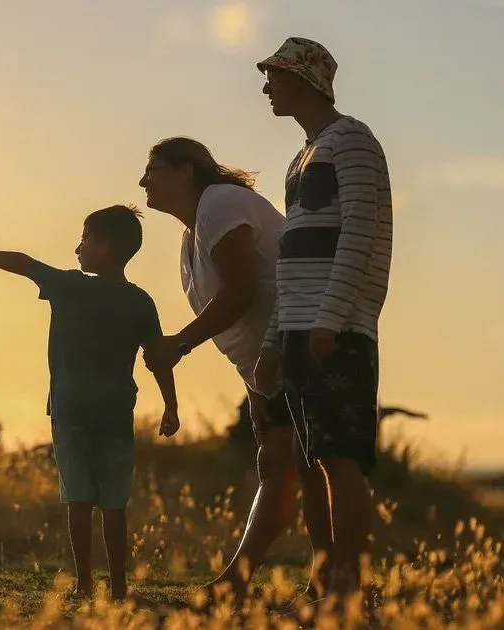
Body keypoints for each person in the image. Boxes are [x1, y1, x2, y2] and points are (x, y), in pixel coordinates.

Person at [0, 205, 180, 601]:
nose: (78, 248)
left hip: (70, 412)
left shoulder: (70, 285)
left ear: (104, 245)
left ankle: (85, 584)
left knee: (78, 499)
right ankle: (119, 589)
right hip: (116, 413)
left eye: (84, 239)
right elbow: (158, 357)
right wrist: (171, 406)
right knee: (114, 505)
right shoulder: (140, 301)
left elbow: (23, 263)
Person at [139, 137, 332, 600]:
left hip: (302, 342)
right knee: (284, 464)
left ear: (186, 170)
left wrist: (180, 344)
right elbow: (245, 310)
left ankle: (318, 585)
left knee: (306, 465)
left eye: (153, 169)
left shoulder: (220, 204)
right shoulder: (194, 232)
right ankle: (298, 582)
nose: (143, 181)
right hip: (269, 361)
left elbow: (242, 290)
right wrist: (253, 386)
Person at [254, 36, 393, 601]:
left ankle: (346, 589)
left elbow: (361, 231)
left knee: (340, 457)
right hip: (298, 328)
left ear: (304, 81)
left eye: (275, 76)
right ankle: (324, 583)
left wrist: (331, 318)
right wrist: (273, 339)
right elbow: (291, 257)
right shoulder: (302, 156)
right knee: (310, 459)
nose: (266, 86)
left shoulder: (353, 140)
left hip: (335, 329)